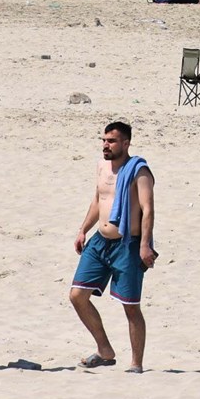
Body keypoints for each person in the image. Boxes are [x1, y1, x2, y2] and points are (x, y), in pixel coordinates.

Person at [70, 122, 157, 373]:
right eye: (104, 140)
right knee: (77, 296)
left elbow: (148, 210)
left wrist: (144, 245)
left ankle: (136, 363)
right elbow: (98, 200)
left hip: (127, 244)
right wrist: (83, 229)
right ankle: (105, 350)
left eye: (112, 141)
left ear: (126, 143)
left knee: (130, 307)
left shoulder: (139, 172)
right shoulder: (101, 166)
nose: (106, 145)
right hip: (100, 241)